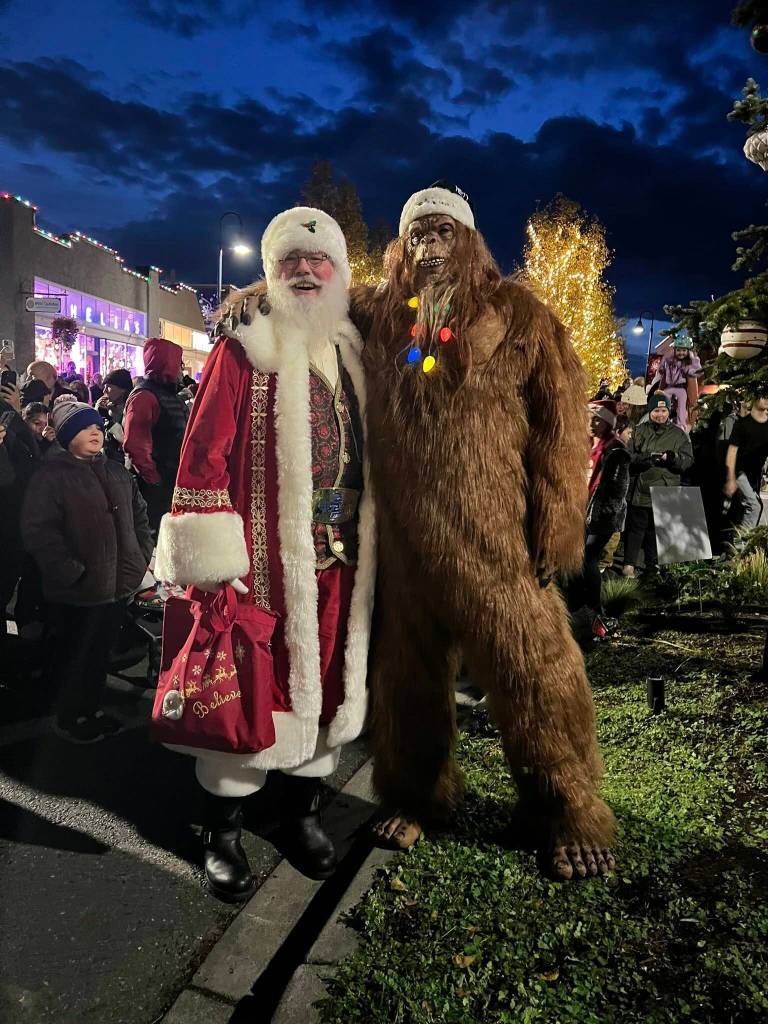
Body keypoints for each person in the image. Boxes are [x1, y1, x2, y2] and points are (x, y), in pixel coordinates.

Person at [350, 180, 615, 881]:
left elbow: (563, 424)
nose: (430, 246)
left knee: (533, 673)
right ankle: (416, 794)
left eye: (442, 233)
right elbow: (308, 291)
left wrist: (556, 527)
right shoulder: (380, 314)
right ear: (400, 248)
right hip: (410, 544)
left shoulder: (518, 313)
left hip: (497, 541)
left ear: (467, 241)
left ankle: (564, 808)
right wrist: (261, 291)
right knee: (407, 675)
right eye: (417, 235)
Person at [155, 207, 374, 900]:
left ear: (339, 274)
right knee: (250, 686)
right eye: (291, 264)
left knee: (328, 683)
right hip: (259, 567)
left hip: (340, 562)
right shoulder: (243, 348)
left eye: (319, 263)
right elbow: (200, 455)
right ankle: (222, 828)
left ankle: (300, 811)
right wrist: (214, 563)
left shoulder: (355, 354)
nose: (306, 273)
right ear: (273, 274)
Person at [21, 396, 153, 743]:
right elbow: (40, 532)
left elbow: (139, 515)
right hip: (79, 589)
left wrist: (141, 554)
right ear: (66, 435)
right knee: (75, 654)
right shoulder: (51, 477)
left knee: (98, 653)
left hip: (117, 585)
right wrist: (70, 572)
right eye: (84, 428)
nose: (95, 433)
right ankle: (70, 716)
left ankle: (89, 709)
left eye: (97, 426)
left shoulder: (114, 471)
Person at [569, 400, 630, 634]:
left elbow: (617, 490)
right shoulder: (585, 446)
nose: (591, 424)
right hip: (580, 512)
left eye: (597, 420)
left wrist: (603, 516)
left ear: (607, 423)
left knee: (589, 558)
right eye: (589, 418)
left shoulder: (616, 451)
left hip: (600, 518)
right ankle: (577, 604)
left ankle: (594, 609)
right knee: (575, 558)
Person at [622, 392, 693, 577]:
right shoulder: (639, 430)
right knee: (636, 528)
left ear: (668, 411)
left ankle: (653, 567)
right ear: (650, 411)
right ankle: (629, 565)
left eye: (663, 410)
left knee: (657, 530)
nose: (660, 414)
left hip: (666, 489)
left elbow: (687, 461)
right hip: (641, 488)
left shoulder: (679, 434)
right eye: (656, 411)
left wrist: (672, 458)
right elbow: (629, 456)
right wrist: (644, 459)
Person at [123, 338, 188, 534]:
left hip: (169, 482)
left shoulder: (167, 394)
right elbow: (136, 446)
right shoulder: (145, 397)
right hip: (155, 487)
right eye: (179, 363)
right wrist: (155, 481)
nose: (181, 369)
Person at [723, 394, 768, 531]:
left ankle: (737, 542)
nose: (766, 400)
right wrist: (731, 479)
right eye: (763, 396)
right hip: (739, 472)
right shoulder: (742, 424)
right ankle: (741, 545)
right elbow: (731, 452)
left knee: (748, 508)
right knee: (754, 506)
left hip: (754, 474)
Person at [651, 338, 701, 431]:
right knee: (664, 397)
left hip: (681, 391)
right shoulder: (668, 363)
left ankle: (681, 422)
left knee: (682, 399)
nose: (681, 353)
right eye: (678, 350)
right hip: (670, 389)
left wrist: (690, 419)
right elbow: (663, 382)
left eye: (684, 350)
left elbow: (692, 397)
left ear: (688, 351)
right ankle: (661, 418)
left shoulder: (689, 367)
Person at [95, 368, 133, 463]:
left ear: (122, 389)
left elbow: (124, 440)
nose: (104, 391)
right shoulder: (108, 408)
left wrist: (108, 419)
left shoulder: (131, 411)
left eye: (108, 387)